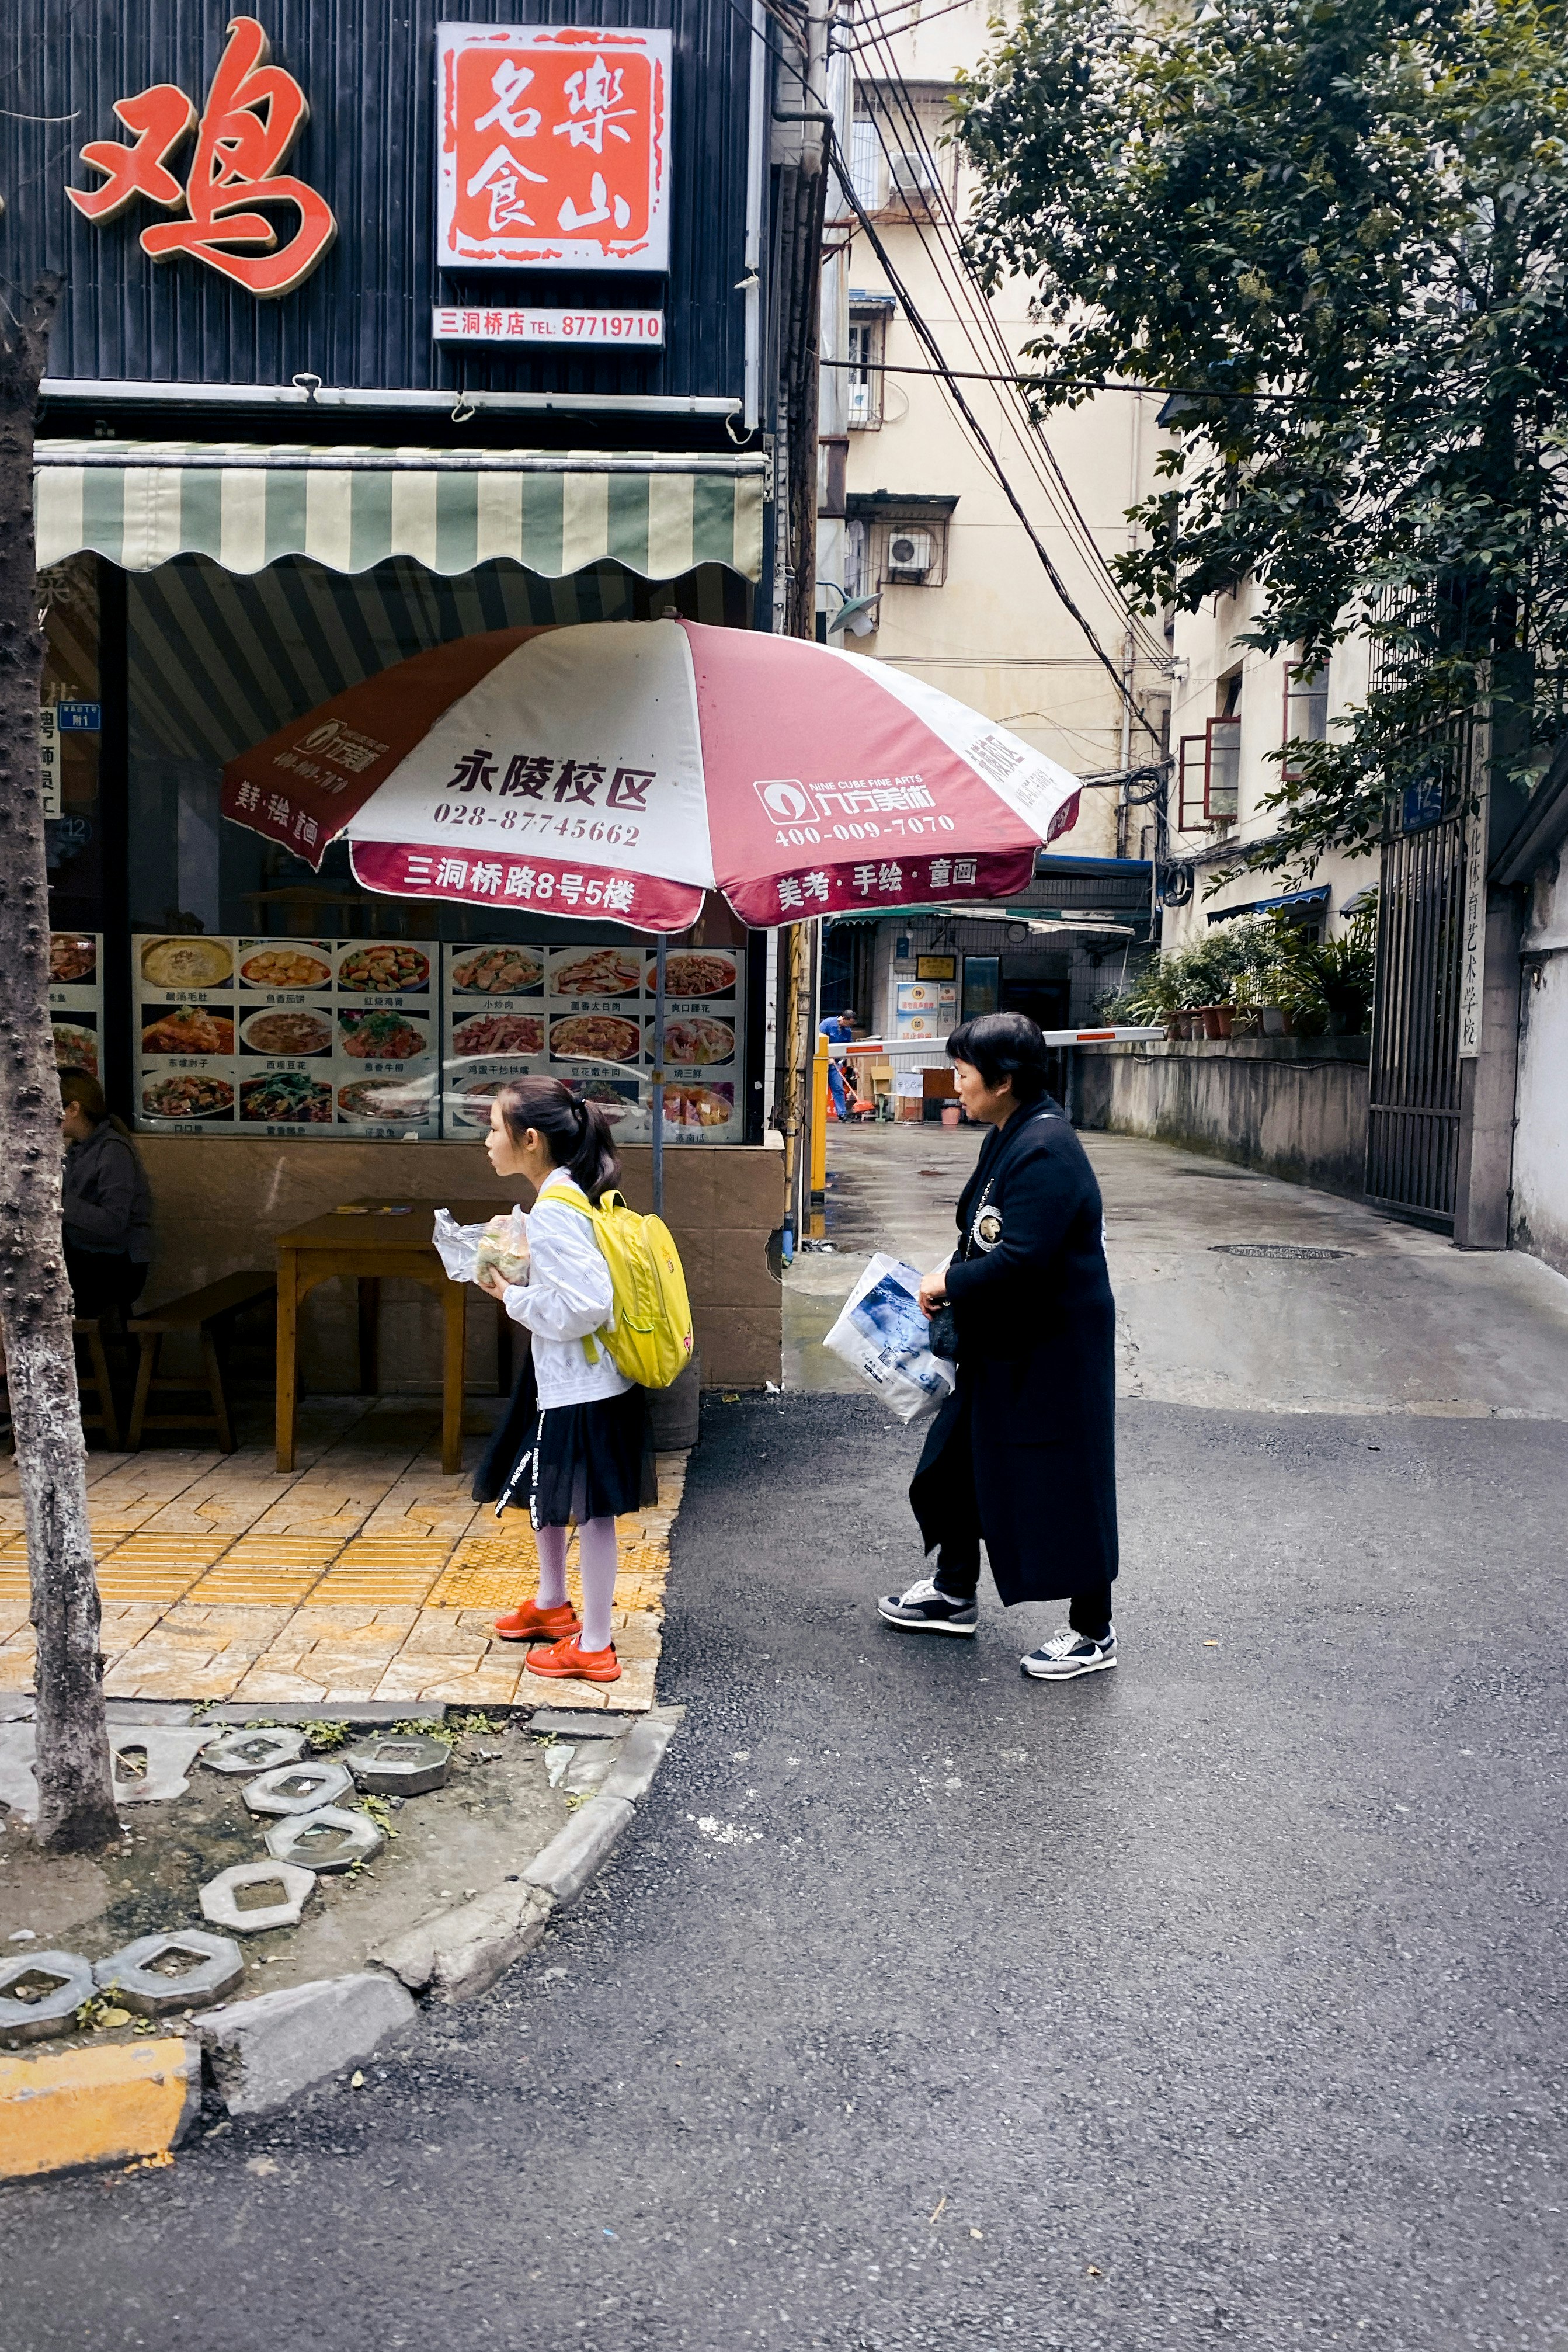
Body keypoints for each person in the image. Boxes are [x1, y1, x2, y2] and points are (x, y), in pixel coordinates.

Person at [877, 1011, 1119, 1679]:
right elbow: (982, 1234)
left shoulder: (1047, 1148)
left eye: (963, 1074)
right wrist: (947, 1277)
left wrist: (948, 1280)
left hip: (1052, 1347)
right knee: (958, 1456)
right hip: (1000, 1332)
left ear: (1004, 1080)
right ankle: (955, 1592)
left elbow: (1022, 1261)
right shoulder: (1010, 1131)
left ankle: (1094, 1632)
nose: (955, 1085)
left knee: (1066, 1478)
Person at [471, 1076, 656, 1686]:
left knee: (590, 1511)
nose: (488, 1140)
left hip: (586, 1384)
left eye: (495, 1128)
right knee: (551, 1495)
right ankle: (553, 1605)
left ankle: (596, 1645)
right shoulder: (564, 1195)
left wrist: (512, 1296)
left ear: (529, 1139)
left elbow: (586, 1305)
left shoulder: (555, 1210)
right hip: (573, 1378)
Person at [59, 1074, 154, 1321]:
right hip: (91, 1257)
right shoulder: (78, 1149)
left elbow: (112, 1223)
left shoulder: (113, 1150)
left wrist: (58, 1203)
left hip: (118, 1267)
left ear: (74, 1109)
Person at [820, 1008, 857, 1120]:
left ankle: (842, 1114)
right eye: (849, 1023)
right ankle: (816, 1114)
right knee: (820, 1089)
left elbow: (850, 1049)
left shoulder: (847, 1030)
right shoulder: (827, 1024)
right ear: (844, 1019)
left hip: (835, 1064)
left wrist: (855, 1067)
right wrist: (826, 1056)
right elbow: (817, 1040)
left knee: (838, 1088)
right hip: (821, 1062)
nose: (849, 1027)